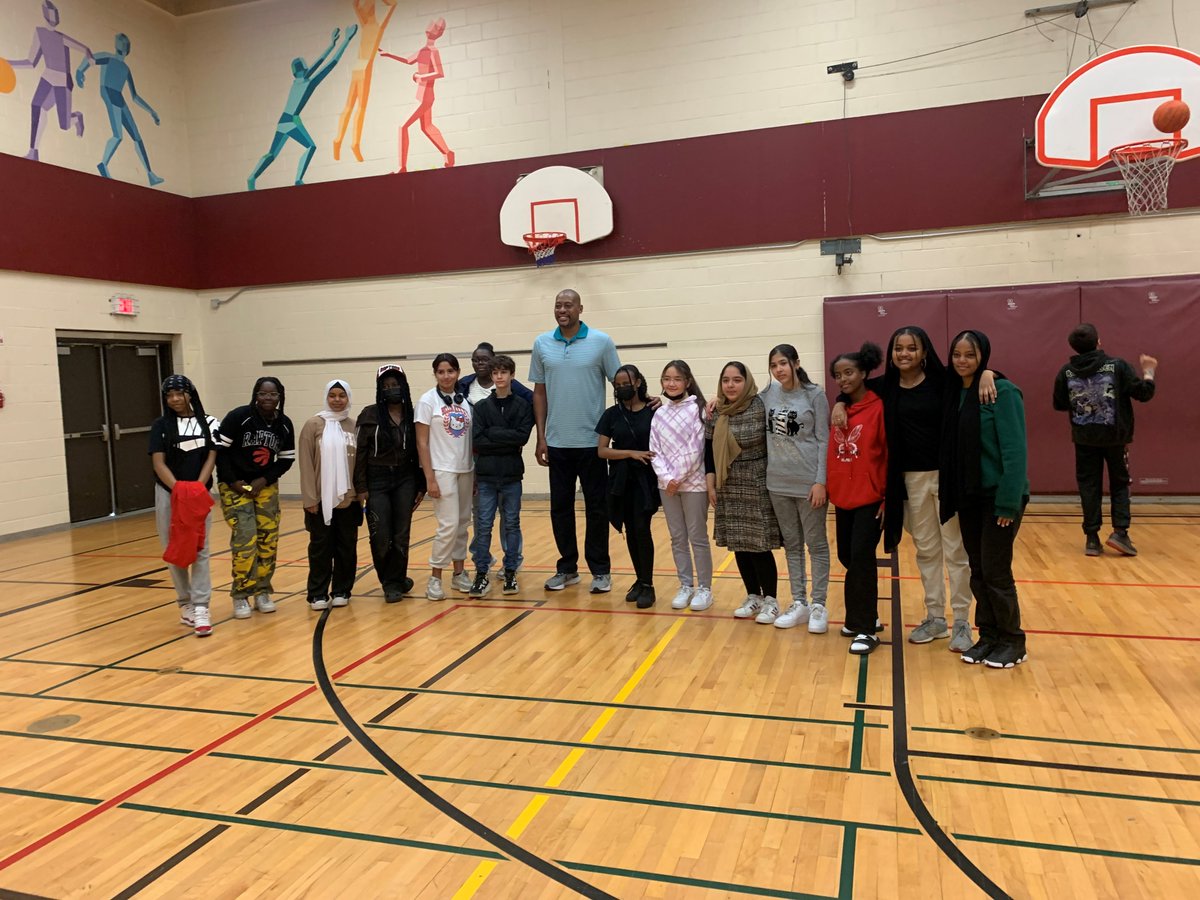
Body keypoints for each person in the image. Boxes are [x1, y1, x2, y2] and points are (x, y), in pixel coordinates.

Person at [832, 326, 996, 653]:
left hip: (946, 478)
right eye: (898, 348)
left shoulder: (944, 380)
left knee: (955, 551)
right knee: (927, 551)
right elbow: (852, 386)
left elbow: (971, 371)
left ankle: (962, 620)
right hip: (908, 482)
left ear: (923, 352)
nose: (904, 354)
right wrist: (838, 401)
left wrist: (990, 372)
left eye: (911, 348)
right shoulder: (887, 386)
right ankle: (935, 617)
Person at [941, 331, 1029, 669]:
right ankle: (989, 636)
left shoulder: (1001, 391)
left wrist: (1008, 502)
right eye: (957, 354)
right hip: (969, 498)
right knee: (977, 571)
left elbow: (1015, 451)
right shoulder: (956, 392)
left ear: (984, 357)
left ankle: (1013, 640)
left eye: (970, 355)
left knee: (996, 571)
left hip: (999, 498)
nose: (962, 361)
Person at [530, 289, 621, 593]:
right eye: (558, 305)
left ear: (581, 308)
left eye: (568, 305)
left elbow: (619, 383)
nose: (562, 309)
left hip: (593, 444)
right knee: (560, 508)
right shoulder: (542, 343)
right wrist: (541, 436)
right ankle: (567, 568)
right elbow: (539, 393)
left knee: (597, 508)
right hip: (557, 443)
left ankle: (600, 570)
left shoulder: (601, 342)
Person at [1052, 323, 1157, 557]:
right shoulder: (1117, 366)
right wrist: (1148, 371)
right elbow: (1144, 393)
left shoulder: (1066, 372)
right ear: (1098, 342)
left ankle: (1091, 538)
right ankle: (1120, 532)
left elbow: (1059, 403)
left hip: (1084, 439)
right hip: (1116, 438)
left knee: (1089, 486)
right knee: (1120, 483)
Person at [759, 344, 831, 633]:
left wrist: (821, 481)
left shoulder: (815, 395)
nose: (779, 369)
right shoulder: (766, 395)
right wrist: (713, 400)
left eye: (783, 363)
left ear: (796, 363)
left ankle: (819, 604)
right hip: (777, 483)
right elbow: (737, 401)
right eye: (774, 364)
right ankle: (799, 602)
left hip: (808, 483)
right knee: (792, 545)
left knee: (816, 544)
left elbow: (825, 439)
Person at [215, 377, 296, 619]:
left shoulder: (284, 424)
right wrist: (233, 482)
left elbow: (286, 459)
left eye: (273, 394)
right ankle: (241, 594)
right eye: (263, 393)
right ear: (255, 395)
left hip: (264, 485)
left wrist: (264, 480)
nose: (268, 398)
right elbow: (220, 451)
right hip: (234, 485)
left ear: (280, 396)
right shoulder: (239, 417)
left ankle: (262, 590)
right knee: (245, 537)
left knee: (267, 539)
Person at [706, 362, 782, 618]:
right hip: (728, 482)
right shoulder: (718, 411)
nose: (730, 385)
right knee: (739, 543)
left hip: (756, 481)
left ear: (746, 381)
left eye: (737, 379)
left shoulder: (760, 406)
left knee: (759, 544)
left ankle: (771, 600)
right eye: (726, 380)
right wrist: (711, 484)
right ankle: (754, 597)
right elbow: (709, 450)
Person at [826, 344, 888, 656]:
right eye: (838, 375)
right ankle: (864, 616)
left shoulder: (880, 408)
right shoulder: (840, 409)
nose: (843, 379)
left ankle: (865, 629)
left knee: (862, 561)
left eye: (849, 372)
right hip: (843, 498)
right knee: (848, 558)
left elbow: (890, 454)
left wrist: (887, 495)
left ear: (864, 373)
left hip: (871, 497)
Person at [148, 375, 219, 637]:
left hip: (198, 492)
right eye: (169, 395)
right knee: (175, 547)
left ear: (190, 394)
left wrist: (198, 488)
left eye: (180, 393)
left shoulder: (209, 423)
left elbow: (211, 455)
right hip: (169, 493)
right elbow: (158, 462)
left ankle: (201, 606)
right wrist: (178, 489)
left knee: (200, 547)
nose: (175, 399)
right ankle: (185, 603)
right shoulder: (161, 426)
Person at [248, 25, 358, 190]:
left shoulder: (298, 83)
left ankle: (252, 178)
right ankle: (298, 179)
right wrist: (344, 41)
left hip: (284, 120)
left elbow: (322, 64)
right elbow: (329, 63)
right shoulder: (306, 82)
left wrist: (333, 44)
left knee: (272, 154)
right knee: (310, 146)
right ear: (303, 70)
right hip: (292, 120)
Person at [355, 365, 425, 602]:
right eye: (386, 386)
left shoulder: (414, 414)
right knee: (381, 534)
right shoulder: (368, 415)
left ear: (404, 386)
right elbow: (360, 454)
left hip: (406, 478)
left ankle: (395, 581)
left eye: (395, 385)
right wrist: (361, 487)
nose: (391, 389)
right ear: (379, 390)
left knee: (402, 533)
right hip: (376, 480)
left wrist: (421, 485)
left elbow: (420, 453)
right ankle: (390, 578)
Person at [650, 360, 713, 611]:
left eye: (677, 379)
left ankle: (704, 588)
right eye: (667, 379)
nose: (672, 383)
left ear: (687, 381)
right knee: (677, 537)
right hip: (667, 486)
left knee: (697, 537)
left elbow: (697, 448)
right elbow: (654, 449)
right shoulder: (660, 414)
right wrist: (666, 479)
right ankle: (685, 584)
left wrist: (677, 477)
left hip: (694, 484)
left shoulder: (699, 409)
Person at [469, 354, 533, 597]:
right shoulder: (483, 407)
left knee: (511, 524)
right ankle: (481, 573)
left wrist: (493, 434)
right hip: (486, 476)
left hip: (511, 476)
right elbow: (478, 440)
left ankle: (510, 572)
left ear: (511, 375)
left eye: (504, 372)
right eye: (495, 373)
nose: (499, 377)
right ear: (492, 376)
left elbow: (522, 437)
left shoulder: (522, 406)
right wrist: (506, 436)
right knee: (483, 526)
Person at [597, 365, 661, 608]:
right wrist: (630, 453)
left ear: (638, 382)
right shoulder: (611, 414)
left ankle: (649, 585)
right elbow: (602, 450)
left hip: (647, 480)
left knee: (642, 528)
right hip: (621, 480)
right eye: (617, 384)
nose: (622, 387)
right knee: (631, 531)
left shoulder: (654, 410)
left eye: (626, 382)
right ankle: (640, 579)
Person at [415, 353, 474, 600]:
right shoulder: (427, 401)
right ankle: (435, 578)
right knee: (447, 526)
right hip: (442, 471)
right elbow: (422, 443)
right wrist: (430, 478)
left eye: (450, 371)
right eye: (441, 372)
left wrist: (475, 473)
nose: (446, 376)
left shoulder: (465, 401)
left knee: (462, 525)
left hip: (466, 470)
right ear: (435, 374)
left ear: (458, 372)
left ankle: (459, 574)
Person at [299, 379, 361, 611]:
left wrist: (360, 493)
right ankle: (317, 593)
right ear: (326, 397)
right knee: (320, 547)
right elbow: (306, 464)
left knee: (347, 546)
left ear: (348, 398)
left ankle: (342, 590)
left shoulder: (354, 426)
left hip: (349, 499)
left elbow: (359, 465)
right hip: (320, 499)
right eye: (332, 395)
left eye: (341, 396)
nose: (337, 400)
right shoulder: (313, 425)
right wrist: (310, 498)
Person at [6, 0, 92, 162]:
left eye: (55, 15)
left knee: (64, 125)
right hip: (47, 78)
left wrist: (89, 56)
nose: (53, 18)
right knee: (36, 106)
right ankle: (33, 151)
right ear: (45, 15)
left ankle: (76, 118)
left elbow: (84, 48)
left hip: (62, 82)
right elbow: (31, 63)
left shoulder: (61, 37)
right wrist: (10, 64)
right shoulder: (39, 33)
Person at [75, 33, 163, 185]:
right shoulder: (108, 58)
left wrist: (151, 111)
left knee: (137, 136)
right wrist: (79, 72)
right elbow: (90, 59)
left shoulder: (126, 69)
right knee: (118, 135)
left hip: (119, 97)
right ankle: (103, 164)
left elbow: (134, 96)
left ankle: (150, 174)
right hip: (109, 93)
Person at [379, 17, 454, 172]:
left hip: (425, 97)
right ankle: (448, 153)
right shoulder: (423, 50)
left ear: (439, 32)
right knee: (427, 127)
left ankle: (402, 167)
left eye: (437, 27)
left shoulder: (433, 51)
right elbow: (408, 60)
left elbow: (440, 73)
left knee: (403, 126)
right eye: (433, 25)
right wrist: (389, 54)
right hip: (421, 95)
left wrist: (420, 77)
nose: (432, 27)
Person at [333, 0, 398, 163]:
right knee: (360, 109)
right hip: (365, 69)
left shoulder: (365, 25)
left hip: (356, 68)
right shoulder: (377, 26)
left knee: (348, 107)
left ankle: (338, 141)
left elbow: (355, 5)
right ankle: (355, 144)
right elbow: (393, 5)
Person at [457, 342, 534, 405]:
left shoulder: (507, 382)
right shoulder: (464, 383)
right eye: (476, 360)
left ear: (493, 360)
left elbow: (533, 399)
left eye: (485, 359)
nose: (480, 363)